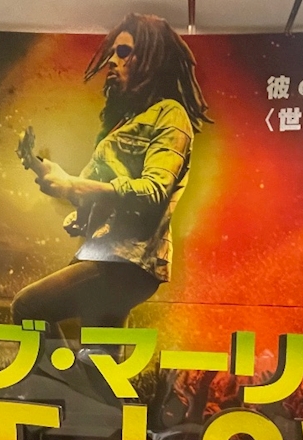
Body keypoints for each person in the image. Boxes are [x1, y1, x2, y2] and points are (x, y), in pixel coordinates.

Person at [12, 13, 211, 359]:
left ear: (151, 58)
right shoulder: (126, 121)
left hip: (125, 262)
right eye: (113, 53)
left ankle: (55, 387)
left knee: (28, 307)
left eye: (123, 52)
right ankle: (89, 392)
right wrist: (47, 171)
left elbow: (153, 191)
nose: (112, 61)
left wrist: (71, 184)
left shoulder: (170, 115)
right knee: (99, 364)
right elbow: (91, 189)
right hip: (110, 257)